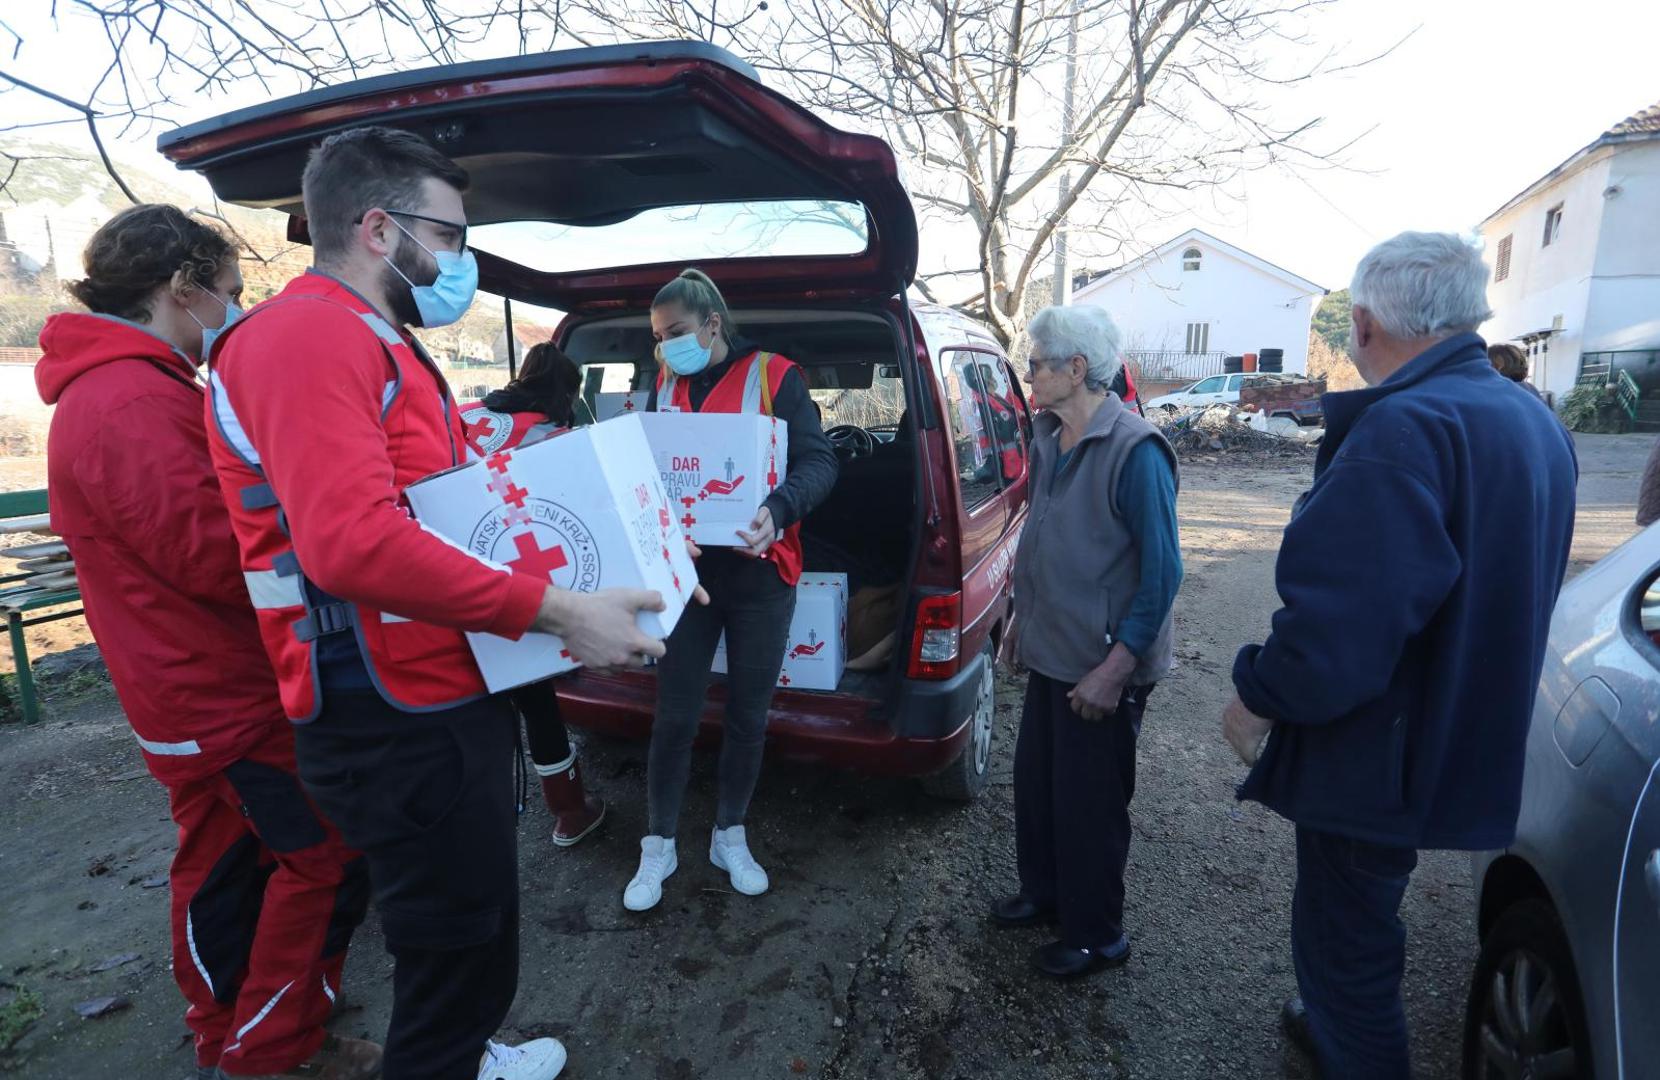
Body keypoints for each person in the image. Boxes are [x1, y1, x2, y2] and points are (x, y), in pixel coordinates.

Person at [208, 127, 678, 1080]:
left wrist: (646, 552)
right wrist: (560, 613)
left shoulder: (372, 337)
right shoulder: (309, 336)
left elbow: (457, 502)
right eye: (451, 233)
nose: (462, 257)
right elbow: (351, 541)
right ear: (378, 229)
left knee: (473, 930)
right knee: (449, 956)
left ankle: (466, 1056)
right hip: (390, 711)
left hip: (435, 686)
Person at [1223, 233, 1577, 1078]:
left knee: (1346, 947)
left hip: (1377, 753)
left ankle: (1349, 1041)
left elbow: (1337, 633)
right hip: (1455, 729)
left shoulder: (1405, 427)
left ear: (1366, 324)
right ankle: (1333, 1024)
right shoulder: (1531, 417)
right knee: (1363, 915)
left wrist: (1257, 694)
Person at [38, 204, 377, 1080]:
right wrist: (336, 535)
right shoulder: (130, 401)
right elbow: (220, 556)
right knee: (323, 858)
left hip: (183, 689)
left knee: (225, 862)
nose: (235, 310)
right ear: (181, 288)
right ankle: (274, 1048)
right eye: (228, 290)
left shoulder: (123, 387)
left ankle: (228, 1025)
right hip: (220, 694)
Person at [622, 268, 839, 912]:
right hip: (686, 578)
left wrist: (779, 507)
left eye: (676, 332)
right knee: (674, 715)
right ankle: (658, 843)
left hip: (760, 575)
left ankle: (729, 834)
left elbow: (820, 460)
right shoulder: (665, 382)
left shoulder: (775, 376)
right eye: (658, 337)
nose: (665, 347)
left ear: (712, 324)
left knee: (748, 716)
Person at [988, 304, 1182, 979]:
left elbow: (1163, 572)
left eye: (1036, 364)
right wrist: (1020, 618)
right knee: (1039, 787)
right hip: (1053, 651)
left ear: (1076, 368)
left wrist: (1116, 668)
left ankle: (1098, 935)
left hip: (1100, 667)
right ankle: (1046, 895)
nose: (1028, 376)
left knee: (1090, 805)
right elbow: (1043, 540)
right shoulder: (1050, 436)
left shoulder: (1136, 450)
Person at [459, 343, 606, 846]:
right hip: (509, 585)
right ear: (565, 391)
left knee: (473, 709)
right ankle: (570, 812)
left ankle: (475, 818)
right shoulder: (554, 436)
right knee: (536, 702)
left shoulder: (467, 412)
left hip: (447, 578)